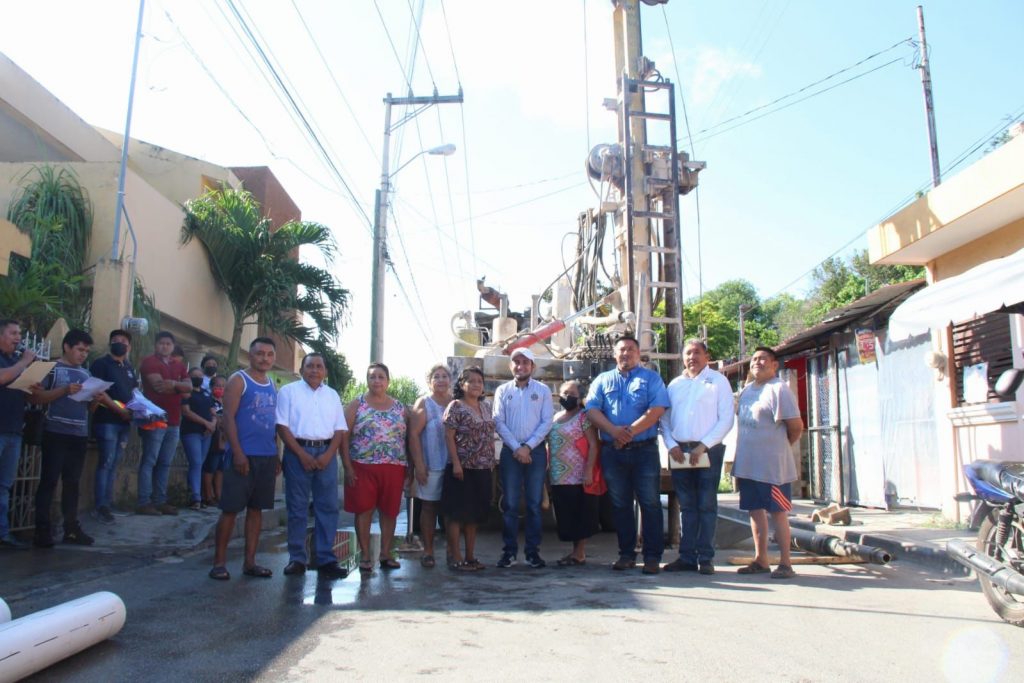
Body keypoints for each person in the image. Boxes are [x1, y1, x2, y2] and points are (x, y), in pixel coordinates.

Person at [585, 335, 670, 575]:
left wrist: (629, 432)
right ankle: (626, 554)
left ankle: (652, 557)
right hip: (613, 452)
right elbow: (591, 410)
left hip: (645, 451)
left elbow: (657, 410)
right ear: (614, 354)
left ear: (638, 353)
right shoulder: (602, 380)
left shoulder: (651, 378)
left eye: (631, 349)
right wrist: (614, 432)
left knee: (650, 503)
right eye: (622, 349)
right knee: (620, 505)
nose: (626, 353)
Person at [30, 329, 118, 548]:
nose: (83, 354)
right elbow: (36, 397)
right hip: (55, 432)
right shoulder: (52, 369)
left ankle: (71, 528)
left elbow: (88, 409)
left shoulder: (86, 374)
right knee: (49, 481)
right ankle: (42, 530)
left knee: (72, 484)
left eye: (86, 351)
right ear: (67, 347)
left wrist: (95, 399)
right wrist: (64, 390)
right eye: (79, 349)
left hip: (78, 434)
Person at [659, 339, 735, 575]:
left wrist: (703, 445)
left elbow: (727, 419)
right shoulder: (675, 384)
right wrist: (671, 445)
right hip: (679, 452)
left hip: (708, 450)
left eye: (697, 353)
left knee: (706, 505)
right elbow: (664, 420)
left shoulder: (718, 381)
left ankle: (706, 558)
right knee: (687, 506)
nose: (692, 357)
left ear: (706, 356)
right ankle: (687, 557)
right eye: (688, 353)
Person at [210, 337, 280, 580]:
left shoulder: (271, 384)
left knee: (256, 509)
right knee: (230, 510)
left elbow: (273, 423)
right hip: (242, 455)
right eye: (260, 353)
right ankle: (219, 563)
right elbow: (227, 418)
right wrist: (238, 453)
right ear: (250, 355)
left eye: (269, 354)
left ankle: (250, 562)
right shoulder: (239, 380)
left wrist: (276, 454)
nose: (264, 358)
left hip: (266, 456)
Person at [733, 346, 804, 580]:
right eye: (754, 359)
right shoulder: (747, 390)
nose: (757, 362)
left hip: (773, 468)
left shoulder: (779, 389)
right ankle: (761, 560)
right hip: (748, 465)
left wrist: (779, 449)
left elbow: (796, 427)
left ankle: (785, 563)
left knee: (778, 513)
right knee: (755, 512)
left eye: (763, 359)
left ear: (774, 365)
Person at [276, 352, 349, 580]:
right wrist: (301, 454)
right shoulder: (288, 392)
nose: (315, 370)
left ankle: (325, 558)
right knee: (297, 507)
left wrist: (329, 455)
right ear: (301, 370)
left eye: (319, 366)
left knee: (327, 507)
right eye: (310, 366)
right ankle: (297, 558)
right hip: (297, 453)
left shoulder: (332, 395)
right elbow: (282, 426)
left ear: (325, 371)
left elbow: (339, 429)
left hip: (326, 453)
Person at [343, 363, 409, 576]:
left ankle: (385, 554)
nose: (377, 381)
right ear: (367, 380)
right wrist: (347, 466)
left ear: (388, 381)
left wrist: (411, 468)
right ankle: (365, 555)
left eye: (381, 377)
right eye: (372, 377)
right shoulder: (357, 404)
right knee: (364, 510)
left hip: (394, 467)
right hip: (362, 467)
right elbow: (343, 436)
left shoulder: (400, 407)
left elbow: (409, 439)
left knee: (389, 511)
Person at [493, 347, 553, 569]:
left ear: (532, 366)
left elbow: (547, 421)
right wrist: (517, 448)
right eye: (516, 362)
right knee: (510, 503)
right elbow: (498, 421)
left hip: (535, 451)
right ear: (511, 366)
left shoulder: (543, 390)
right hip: (511, 451)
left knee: (534, 504)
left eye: (525, 362)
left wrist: (528, 447)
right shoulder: (502, 391)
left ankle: (532, 553)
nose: (521, 366)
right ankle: (509, 552)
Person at [441, 367, 496, 572]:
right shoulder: (455, 406)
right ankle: (456, 557)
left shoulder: (486, 407)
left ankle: (470, 556)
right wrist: (456, 463)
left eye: (479, 381)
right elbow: (449, 436)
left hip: (483, 467)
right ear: (462, 384)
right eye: (471, 381)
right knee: (457, 514)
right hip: (461, 468)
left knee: (474, 514)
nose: (476, 384)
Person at [547, 380, 599, 566]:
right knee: (565, 512)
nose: (566, 397)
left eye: (571, 394)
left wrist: (588, 470)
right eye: (563, 393)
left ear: (580, 398)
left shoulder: (584, 417)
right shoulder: (556, 417)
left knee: (580, 512)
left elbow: (593, 445)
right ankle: (574, 552)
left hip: (578, 473)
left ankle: (579, 553)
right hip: (558, 475)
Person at [138, 331, 190, 516]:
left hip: (174, 420)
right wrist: (179, 386)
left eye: (168, 343)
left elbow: (189, 389)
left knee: (165, 463)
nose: (165, 346)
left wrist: (174, 385)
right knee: (150, 461)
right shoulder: (149, 362)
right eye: (161, 343)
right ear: (156, 345)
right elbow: (158, 386)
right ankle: (144, 502)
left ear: (173, 346)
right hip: (155, 419)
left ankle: (160, 501)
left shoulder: (179, 365)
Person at [89, 329, 138, 524]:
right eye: (115, 340)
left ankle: (108, 503)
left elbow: (134, 393)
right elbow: (98, 393)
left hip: (124, 423)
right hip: (107, 420)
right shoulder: (101, 364)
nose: (119, 343)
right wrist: (119, 410)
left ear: (129, 346)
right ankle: (100, 506)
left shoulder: (129, 368)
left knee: (114, 464)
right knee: (105, 464)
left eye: (123, 340)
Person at [407, 363, 452, 569]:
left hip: (452, 465)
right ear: (429, 381)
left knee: (452, 510)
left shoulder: (455, 402)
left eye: (444, 376)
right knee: (429, 507)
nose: (441, 380)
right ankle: (428, 551)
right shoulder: (424, 403)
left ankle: (453, 552)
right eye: (436, 376)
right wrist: (419, 464)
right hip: (431, 464)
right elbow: (413, 435)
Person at [0, 319, 36, 549]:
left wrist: (33, 385)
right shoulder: (15, 362)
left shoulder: (15, 361)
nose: (18, 338)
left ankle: (2, 534)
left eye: (19, 333)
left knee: (4, 486)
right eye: (13, 333)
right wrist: (24, 363)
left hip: (14, 430)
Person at [181, 366, 217, 511]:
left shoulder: (206, 393)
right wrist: (205, 423)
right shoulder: (186, 393)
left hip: (206, 434)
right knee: (196, 462)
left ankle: (195, 495)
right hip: (191, 432)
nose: (198, 378)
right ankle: (196, 497)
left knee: (199, 464)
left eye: (200, 376)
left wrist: (212, 424)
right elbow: (186, 412)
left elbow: (213, 411)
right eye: (195, 376)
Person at [201, 375, 228, 506]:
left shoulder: (226, 401)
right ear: (211, 387)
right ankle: (208, 495)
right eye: (217, 386)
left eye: (223, 386)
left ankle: (219, 495)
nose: (220, 389)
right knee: (210, 466)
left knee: (220, 468)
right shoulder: (208, 401)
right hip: (213, 438)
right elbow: (215, 416)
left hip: (224, 439)